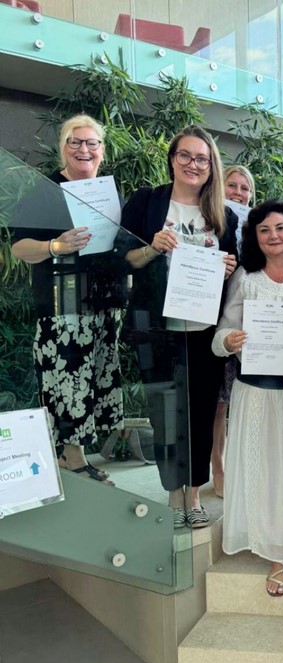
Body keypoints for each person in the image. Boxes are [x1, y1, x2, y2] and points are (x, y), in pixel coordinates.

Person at [121, 124, 238, 529]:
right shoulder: (147, 202)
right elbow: (123, 258)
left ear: (211, 166)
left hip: (203, 331)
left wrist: (229, 268)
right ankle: (174, 495)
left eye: (202, 158)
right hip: (157, 328)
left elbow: (234, 272)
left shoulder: (223, 215)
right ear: (172, 159)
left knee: (202, 412)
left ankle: (194, 495)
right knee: (165, 414)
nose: (193, 164)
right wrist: (151, 248)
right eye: (185, 155)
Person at [11, 114, 127, 485]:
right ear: (63, 148)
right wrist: (55, 246)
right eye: (75, 142)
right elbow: (18, 247)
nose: (84, 149)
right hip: (63, 310)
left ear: (103, 150)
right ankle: (73, 461)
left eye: (92, 143)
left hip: (104, 306)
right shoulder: (46, 191)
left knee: (93, 380)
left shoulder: (111, 194)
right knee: (67, 382)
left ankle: (76, 458)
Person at [212, 200, 283, 595]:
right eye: (264, 230)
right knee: (270, 471)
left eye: (280, 227)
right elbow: (220, 333)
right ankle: (278, 552)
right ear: (254, 237)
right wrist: (230, 340)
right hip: (257, 391)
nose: (273, 236)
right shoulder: (246, 277)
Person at [211, 164, 257, 498]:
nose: (238, 193)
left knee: (234, 399)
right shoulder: (213, 220)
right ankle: (218, 466)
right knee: (218, 402)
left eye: (244, 188)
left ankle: (240, 467)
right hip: (214, 317)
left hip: (245, 323)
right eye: (232, 185)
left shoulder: (257, 226)